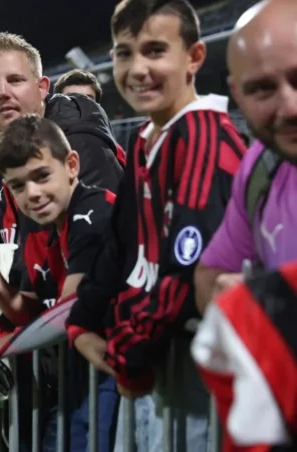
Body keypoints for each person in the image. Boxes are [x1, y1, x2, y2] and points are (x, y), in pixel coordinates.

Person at [68, 1, 246, 450]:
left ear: (195, 58)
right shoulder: (151, 137)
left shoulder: (205, 136)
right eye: (124, 53)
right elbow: (119, 245)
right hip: (151, 360)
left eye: (154, 50)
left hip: (195, 372)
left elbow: (188, 268)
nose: (138, 68)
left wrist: (128, 355)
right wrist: (81, 321)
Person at [0, 114, 119, 451]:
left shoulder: (95, 209)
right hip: (76, 370)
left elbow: (69, 310)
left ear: (72, 165)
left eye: (42, 176)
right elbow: (28, 311)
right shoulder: (36, 222)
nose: (32, 193)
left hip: (114, 368)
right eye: (18, 185)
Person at [194, 0, 297, 313]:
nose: (291, 107)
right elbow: (210, 280)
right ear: (237, 94)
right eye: (262, 89)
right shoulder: (261, 167)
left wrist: (271, 304)